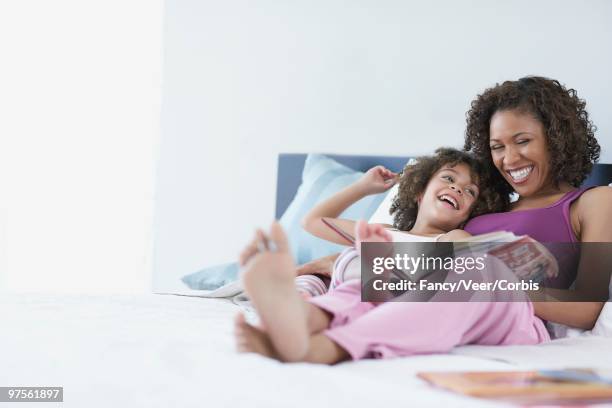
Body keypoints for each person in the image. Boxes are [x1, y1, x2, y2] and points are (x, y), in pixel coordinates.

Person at [234, 149, 540, 363]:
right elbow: (313, 222)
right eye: (448, 178)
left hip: (418, 294)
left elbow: (457, 272)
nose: (458, 189)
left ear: (469, 213)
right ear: (420, 191)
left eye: (470, 191)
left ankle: (319, 345)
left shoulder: (453, 237)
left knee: (364, 270)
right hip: (375, 288)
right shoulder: (381, 232)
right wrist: (363, 187)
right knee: (339, 276)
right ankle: (298, 318)